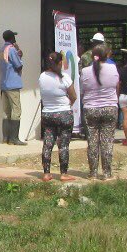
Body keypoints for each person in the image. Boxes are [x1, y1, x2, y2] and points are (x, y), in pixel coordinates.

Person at [79, 45, 120, 179]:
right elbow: (116, 85)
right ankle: (107, 173)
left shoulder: (85, 71)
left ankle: (93, 173)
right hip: (109, 107)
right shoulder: (113, 68)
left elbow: (82, 90)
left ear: (92, 56)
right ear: (107, 55)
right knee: (107, 141)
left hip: (90, 109)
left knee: (92, 141)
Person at [38, 52, 78, 182]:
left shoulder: (42, 77)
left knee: (47, 144)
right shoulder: (64, 77)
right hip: (64, 114)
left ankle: (46, 173)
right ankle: (64, 174)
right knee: (63, 145)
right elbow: (73, 96)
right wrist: (68, 105)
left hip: (47, 114)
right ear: (60, 63)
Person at [0, 30, 25, 145]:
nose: (15, 38)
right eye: (14, 36)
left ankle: (6, 138)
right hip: (13, 84)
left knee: (6, 111)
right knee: (16, 110)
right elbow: (18, 66)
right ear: (11, 38)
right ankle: (15, 138)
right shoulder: (11, 49)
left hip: (4, 84)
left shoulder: (1, 49)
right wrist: (20, 56)